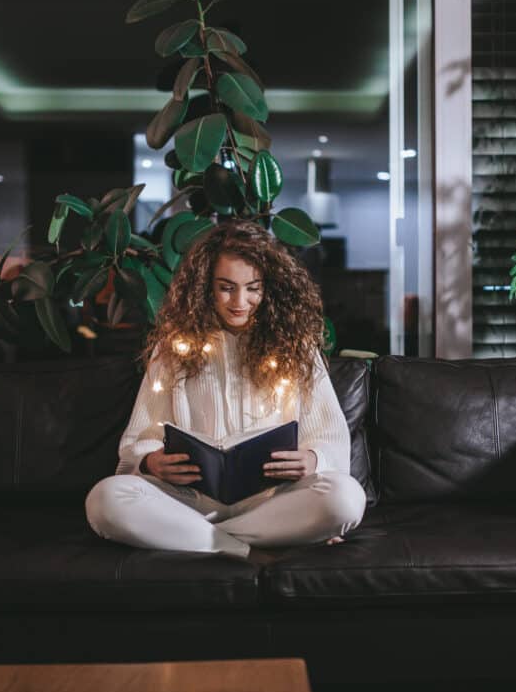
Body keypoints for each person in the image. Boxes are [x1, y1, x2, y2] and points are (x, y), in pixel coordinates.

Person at [85, 220, 366, 559]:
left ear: (269, 288)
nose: (240, 301)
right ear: (205, 287)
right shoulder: (174, 349)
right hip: (189, 502)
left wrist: (313, 459)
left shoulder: (296, 349)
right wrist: (151, 463)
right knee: (104, 500)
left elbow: (329, 437)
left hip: (274, 503)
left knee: (346, 498)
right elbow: (140, 438)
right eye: (226, 287)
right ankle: (246, 548)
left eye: (253, 288)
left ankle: (200, 540)